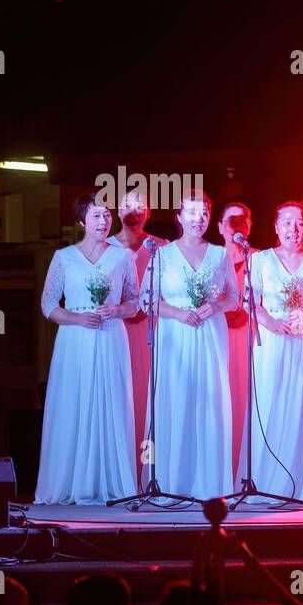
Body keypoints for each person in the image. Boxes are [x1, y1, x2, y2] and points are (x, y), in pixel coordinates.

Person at [35, 194, 140, 505]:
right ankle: (69, 482)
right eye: (96, 216)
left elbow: (135, 302)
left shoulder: (121, 257)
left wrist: (117, 310)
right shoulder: (64, 257)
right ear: (82, 221)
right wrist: (78, 318)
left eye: (107, 215)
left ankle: (109, 482)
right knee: (74, 402)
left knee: (110, 404)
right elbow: (48, 305)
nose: (103, 221)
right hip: (75, 339)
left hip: (110, 337)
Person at [142, 190, 239, 500]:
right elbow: (147, 299)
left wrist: (216, 306)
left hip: (210, 333)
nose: (199, 219)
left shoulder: (220, 254)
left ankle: (209, 484)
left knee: (209, 402)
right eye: (192, 213)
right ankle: (172, 482)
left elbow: (234, 297)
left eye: (204, 214)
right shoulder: (162, 254)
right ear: (179, 217)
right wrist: (177, 313)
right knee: (174, 401)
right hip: (175, 334)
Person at [245, 201, 303, 503]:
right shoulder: (260, 260)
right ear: (275, 226)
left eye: (299, 223)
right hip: (273, 342)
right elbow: (250, 302)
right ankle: (267, 480)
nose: (293, 229)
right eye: (286, 222)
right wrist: (270, 322)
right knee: (273, 402)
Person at [106, 190, 166, 464]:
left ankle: (147, 468)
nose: (134, 211)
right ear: (117, 211)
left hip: (150, 332)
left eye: (141, 206)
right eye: (128, 206)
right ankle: (118, 466)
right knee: (116, 396)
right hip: (113, 331)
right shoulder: (103, 247)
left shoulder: (162, 247)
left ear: (149, 213)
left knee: (147, 398)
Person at [219, 202, 255, 479]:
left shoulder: (261, 259)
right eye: (231, 221)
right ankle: (221, 468)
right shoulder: (211, 258)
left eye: (242, 220)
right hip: (218, 338)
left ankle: (248, 468)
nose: (237, 225)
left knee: (247, 398)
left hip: (250, 339)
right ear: (220, 227)